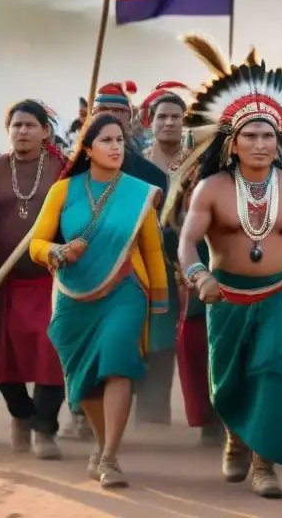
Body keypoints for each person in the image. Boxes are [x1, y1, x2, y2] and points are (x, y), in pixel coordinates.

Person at [167, 48, 282, 499]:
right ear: (232, 143)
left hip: (280, 295)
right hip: (227, 299)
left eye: (269, 136)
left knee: (275, 372)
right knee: (232, 378)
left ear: (279, 142)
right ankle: (235, 437)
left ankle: (264, 464)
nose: (261, 144)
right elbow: (186, 241)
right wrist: (199, 276)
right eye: (251, 136)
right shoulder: (212, 189)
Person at [28, 113, 170, 488]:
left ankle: (109, 457)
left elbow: (153, 253)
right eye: (106, 140)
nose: (116, 147)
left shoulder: (139, 193)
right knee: (86, 381)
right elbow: (36, 244)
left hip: (125, 291)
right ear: (87, 149)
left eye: (120, 140)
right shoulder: (64, 190)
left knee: (118, 364)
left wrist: (159, 307)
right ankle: (102, 445)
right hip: (73, 294)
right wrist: (56, 253)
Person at [0, 100, 67, 459]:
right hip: (3, 281)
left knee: (52, 355)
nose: (22, 131)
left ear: (45, 131)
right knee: (2, 356)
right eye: (16, 125)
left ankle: (45, 430)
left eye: (30, 126)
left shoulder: (62, 170)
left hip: (51, 282)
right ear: (8, 131)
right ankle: (22, 413)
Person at [142, 81, 225, 446]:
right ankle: (148, 416)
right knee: (154, 339)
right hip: (151, 262)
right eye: (162, 117)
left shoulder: (203, 161)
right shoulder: (137, 164)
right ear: (150, 122)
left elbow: (221, 128)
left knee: (199, 341)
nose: (169, 123)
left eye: (177, 117)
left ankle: (211, 420)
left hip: (197, 261)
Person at [88, 82, 173, 427]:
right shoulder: (72, 171)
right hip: (86, 273)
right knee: (88, 344)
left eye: (118, 112)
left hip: (136, 276)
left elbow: (162, 231)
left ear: (131, 118)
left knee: (133, 345)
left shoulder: (151, 176)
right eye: (102, 112)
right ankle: (84, 414)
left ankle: (145, 420)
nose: (110, 118)